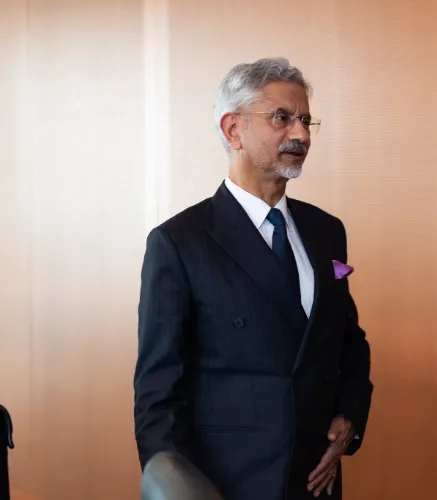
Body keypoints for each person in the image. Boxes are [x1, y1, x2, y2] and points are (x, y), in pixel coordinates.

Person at [134, 57, 373, 500]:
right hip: (226, 484)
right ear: (232, 129)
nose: (300, 134)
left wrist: (349, 418)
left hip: (316, 483)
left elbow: (348, 341)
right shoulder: (179, 241)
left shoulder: (326, 231)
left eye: (304, 120)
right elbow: (157, 391)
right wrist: (177, 488)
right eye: (282, 118)